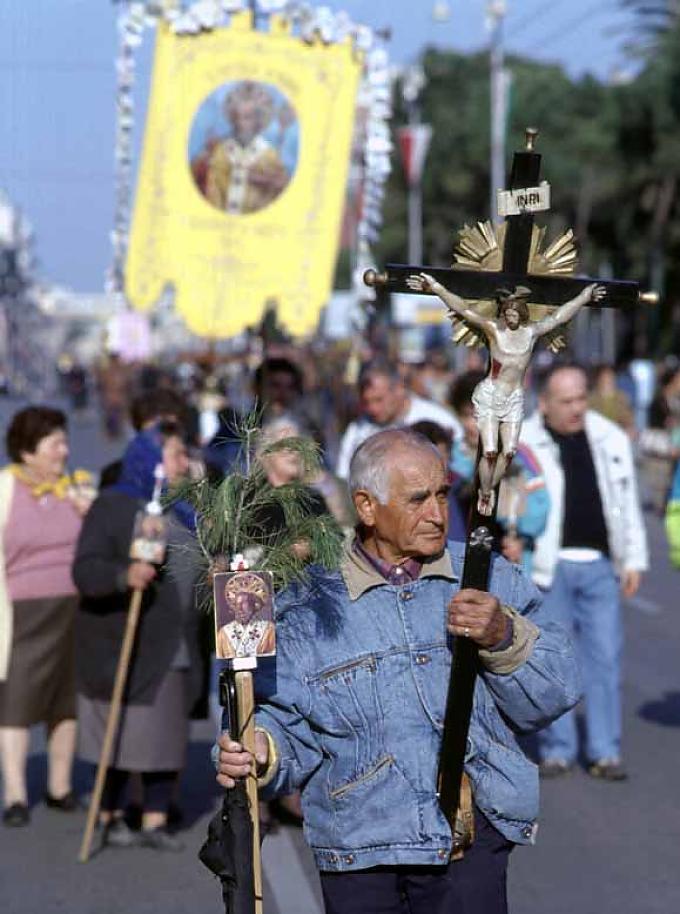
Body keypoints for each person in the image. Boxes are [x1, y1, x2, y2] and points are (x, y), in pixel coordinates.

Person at [216, 429, 579, 914]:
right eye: (417, 499)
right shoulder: (307, 602)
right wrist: (263, 749)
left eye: (442, 494)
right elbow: (279, 717)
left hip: (468, 838)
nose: (436, 512)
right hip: (359, 848)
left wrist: (503, 637)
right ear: (366, 506)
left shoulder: (484, 576)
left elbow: (556, 691)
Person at [73, 423, 204, 850]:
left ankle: (154, 817)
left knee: (165, 731)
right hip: (122, 639)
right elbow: (85, 569)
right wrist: (122, 574)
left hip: (175, 638)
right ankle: (108, 812)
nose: (186, 462)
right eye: (176, 454)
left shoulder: (186, 509)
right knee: (118, 726)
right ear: (150, 459)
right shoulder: (113, 505)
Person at [521, 364, 648, 780]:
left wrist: (633, 559)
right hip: (548, 564)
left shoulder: (607, 436)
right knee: (557, 661)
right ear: (545, 403)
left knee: (605, 659)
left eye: (581, 398)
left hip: (598, 564)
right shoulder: (526, 441)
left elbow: (625, 500)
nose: (577, 408)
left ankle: (604, 751)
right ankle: (558, 749)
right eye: (567, 401)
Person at [407, 275, 605, 514]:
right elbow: (463, 309)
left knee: (508, 452)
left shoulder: (531, 333)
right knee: (490, 452)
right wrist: (437, 287)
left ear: (521, 313)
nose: (511, 317)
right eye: (507, 313)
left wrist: (584, 297)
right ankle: (485, 493)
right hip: (491, 395)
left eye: (515, 313)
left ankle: (488, 488)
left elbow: (559, 317)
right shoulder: (493, 331)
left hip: (513, 398)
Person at [0, 407, 93, 827]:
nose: (64, 450)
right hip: (20, 613)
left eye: (64, 441)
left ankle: (60, 786)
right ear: (27, 449)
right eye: (54, 443)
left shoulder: (74, 487)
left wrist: (83, 506)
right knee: (15, 702)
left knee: (65, 699)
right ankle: (16, 793)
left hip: (72, 608)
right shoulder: (5, 489)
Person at [449, 370, 549, 575]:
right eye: (469, 415)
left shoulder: (519, 455)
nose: (476, 424)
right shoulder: (453, 457)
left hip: (510, 555)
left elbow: (540, 502)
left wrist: (521, 538)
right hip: (462, 558)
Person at [335, 361, 462, 480]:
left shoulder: (438, 419)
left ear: (399, 389)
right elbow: (344, 476)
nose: (372, 408)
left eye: (379, 400)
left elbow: (459, 470)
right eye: (366, 402)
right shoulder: (357, 430)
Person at [203, 81, 290, 214]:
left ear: (259, 120)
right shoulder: (222, 151)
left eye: (247, 117)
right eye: (237, 117)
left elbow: (279, 192)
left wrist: (265, 181)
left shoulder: (269, 154)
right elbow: (213, 192)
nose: (240, 123)